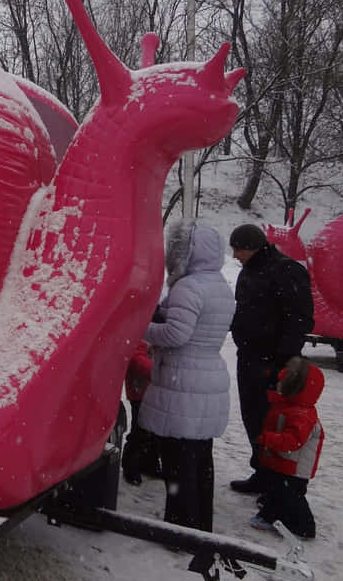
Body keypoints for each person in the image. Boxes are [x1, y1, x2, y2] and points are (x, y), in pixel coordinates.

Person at [139, 220, 235, 532]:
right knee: (199, 458)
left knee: (178, 459)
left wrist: (141, 328)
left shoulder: (189, 287)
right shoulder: (218, 284)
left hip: (184, 380)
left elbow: (176, 334)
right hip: (206, 377)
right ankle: (198, 521)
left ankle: (179, 525)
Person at [228, 224, 314, 495]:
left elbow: (300, 318)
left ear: (251, 246)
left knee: (273, 420)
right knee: (252, 417)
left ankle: (278, 482)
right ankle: (262, 472)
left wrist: (284, 360)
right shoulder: (250, 271)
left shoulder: (286, 270)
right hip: (250, 356)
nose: (234, 256)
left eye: (238, 249)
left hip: (273, 361)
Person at [250, 356, 324, 539]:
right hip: (282, 462)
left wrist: (269, 439)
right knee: (275, 489)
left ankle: (303, 526)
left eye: (282, 383)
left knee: (291, 496)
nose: (277, 385)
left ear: (295, 389)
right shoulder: (287, 406)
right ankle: (270, 515)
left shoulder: (302, 414)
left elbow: (294, 441)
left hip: (294, 468)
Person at [121, 340, 162, 485]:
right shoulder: (139, 334)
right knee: (140, 431)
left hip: (154, 390)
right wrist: (158, 370)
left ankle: (149, 463)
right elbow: (136, 359)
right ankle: (130, 465)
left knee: (155, 433)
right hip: (141, 391)